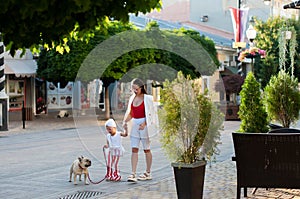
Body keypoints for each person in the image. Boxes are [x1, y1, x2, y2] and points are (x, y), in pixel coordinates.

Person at [123, 78, 159, 182]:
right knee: (134, 149)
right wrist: (125, 122)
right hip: (135, 124)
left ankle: (148, 172)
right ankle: (133, 173)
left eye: (136, 89)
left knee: (146, 149)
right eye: (132, 89)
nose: (134, 91)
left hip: (144, 126)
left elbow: (153, 114)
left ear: (141, 88)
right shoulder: (132, 98)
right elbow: (131, 113)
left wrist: (145, 123)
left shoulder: (148, 98)